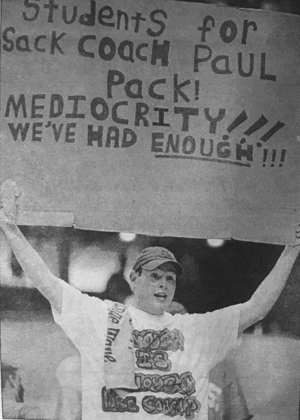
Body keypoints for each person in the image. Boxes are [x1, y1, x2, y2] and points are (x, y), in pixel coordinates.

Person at [0, 179, 299, 420]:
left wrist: (291, 251)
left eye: (170, 278)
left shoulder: (195, 328)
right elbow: (48, 283)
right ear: (135, 279)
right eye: (155, 276)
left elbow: (257, 308)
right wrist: (11, 230)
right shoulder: (103, 316)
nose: (164, 284)